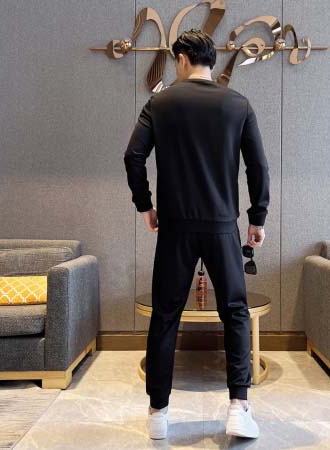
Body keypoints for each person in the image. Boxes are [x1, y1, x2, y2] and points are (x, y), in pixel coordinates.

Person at [124, 28, 270, 440]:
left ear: (183, 59)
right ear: (210, 59)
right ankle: (238, 407)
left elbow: (133, 156)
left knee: (165, 316)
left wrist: (145, 205)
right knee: (235, 312)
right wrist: (257, 218)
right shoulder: (238, 104)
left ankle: (158, 413)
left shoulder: (160, 103)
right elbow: (258, 166)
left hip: (175, 228)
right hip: (222, 227)